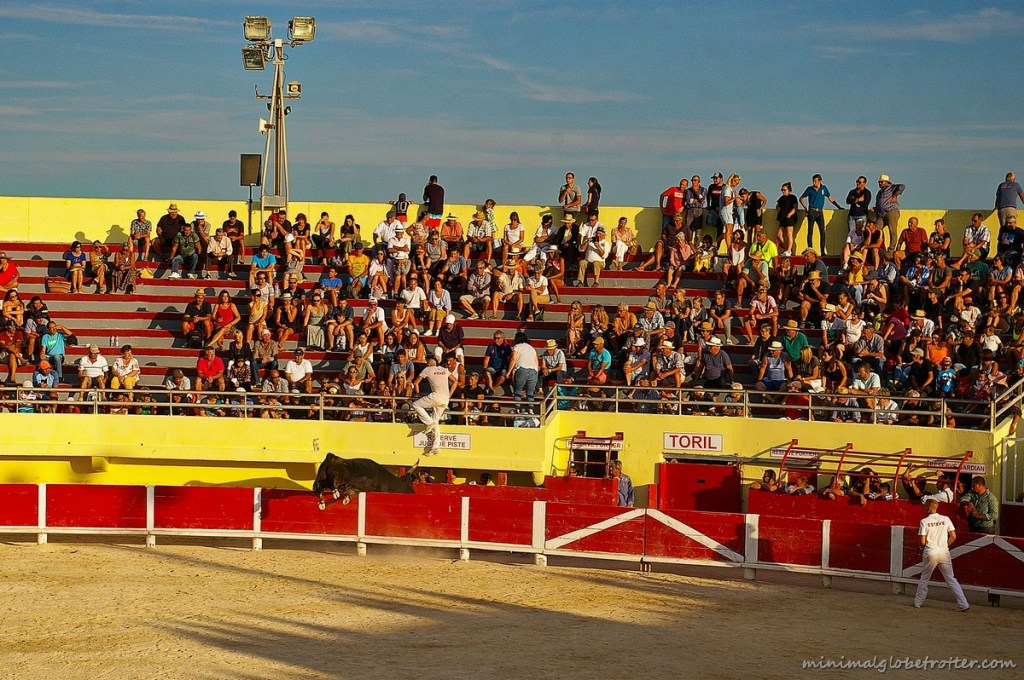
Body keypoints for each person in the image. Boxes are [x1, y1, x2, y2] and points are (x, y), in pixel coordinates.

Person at [913, 499, 970, 612]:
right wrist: (945, 545)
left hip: (930, 552)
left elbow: (923, 541)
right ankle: (963, 604)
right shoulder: (946, 519)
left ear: (928, 508)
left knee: (925, 578)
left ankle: (918, 602)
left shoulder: (924, 521)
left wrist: (921, 547)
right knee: (951, 579)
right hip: (943, 552)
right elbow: (953, 536)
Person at [412, 358, 456, 455]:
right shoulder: (444, 369)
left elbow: (416, 383)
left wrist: (418, 394)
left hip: (436, 396)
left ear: (428, 364)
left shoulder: (427, 369)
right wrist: (449, 395)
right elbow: (455, 382)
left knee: (416, 405)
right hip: (445, 398)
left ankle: (429, 423)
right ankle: (436, 446)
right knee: (436, 421)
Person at [799, 174, 842, 254]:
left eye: (815, 181)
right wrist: (805, 208)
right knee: (810, 230)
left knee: (822, 231)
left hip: (820, 212)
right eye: (813, 181)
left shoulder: (824, 189)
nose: (814, 183)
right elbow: (801, 198)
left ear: (820, 181)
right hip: (812, 211)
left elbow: (830, 198)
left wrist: (838, 206)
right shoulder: (809, 189)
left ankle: (822, 251)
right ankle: (810, 249)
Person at [505, 331, 540, 410]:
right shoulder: (531, 348)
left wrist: (509, 372)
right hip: (533, 370)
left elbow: (513, 359)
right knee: (530, 393)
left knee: (518, 391)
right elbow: (536, 361)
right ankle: (531, 410)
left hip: (522, 369)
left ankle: (517, 409)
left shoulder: (516, 347)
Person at [874, 174, 906, 246]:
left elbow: (902, 186)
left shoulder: (892, 188)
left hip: (891, 211)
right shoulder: (879, 192)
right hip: (881, 214)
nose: (879, 183)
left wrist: (895, 195)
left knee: (892, 231)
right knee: (877, 230)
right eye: (879, 182)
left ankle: (891, 250)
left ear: (886, 182)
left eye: (881, 182)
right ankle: (880, 247)